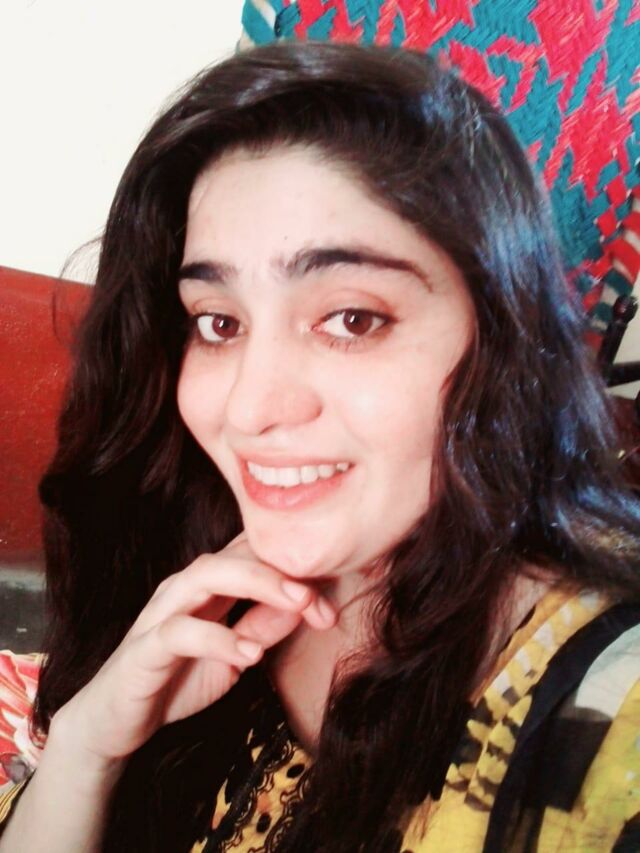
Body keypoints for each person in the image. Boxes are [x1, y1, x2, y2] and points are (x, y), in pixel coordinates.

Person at [1, 40, 639, 853]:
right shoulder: (192, 567)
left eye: (352, 319)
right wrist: (87, 747)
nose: (249, 407)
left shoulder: (608, 710)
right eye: (218, 323)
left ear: (500, 338)